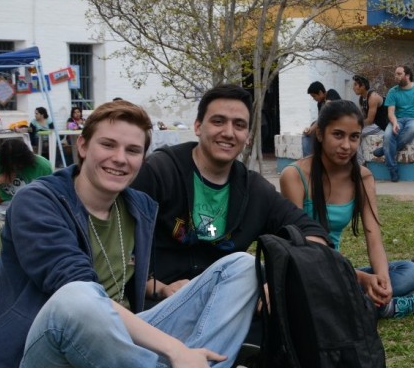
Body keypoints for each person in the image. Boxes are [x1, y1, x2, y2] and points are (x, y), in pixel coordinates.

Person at [0, 101, 261, 368]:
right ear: (83, 146)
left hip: (121, 351)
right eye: (108, 144)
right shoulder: (38, 201)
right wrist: (177, 351)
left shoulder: (137, 208)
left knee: (241, 265)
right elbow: (76, 289)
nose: (120, 158)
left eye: (133, 150)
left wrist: (166, 294)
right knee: (79, 296)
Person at [131, 84, 328, 303]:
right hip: (160, 304)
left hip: (225, 302)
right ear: (198, 126)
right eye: (218, 121)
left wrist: (279, 282)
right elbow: (118, 243)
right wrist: (156, 288)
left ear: (248, 136)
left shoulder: (256, 191)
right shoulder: (160, 172)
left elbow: (312, 234)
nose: (228, 132)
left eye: (239, 125)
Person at [280, 101, 414, 319]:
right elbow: (299, 247)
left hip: (338, 271)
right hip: (304, 270)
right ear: (320, 134)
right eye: (338, 135)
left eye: (354, 137)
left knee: (409, 273)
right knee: (301, 291)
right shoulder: (294, 176)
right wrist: (362, 279)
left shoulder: (363, 177)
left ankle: (369, 301)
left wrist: (382, 281)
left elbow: (372, 235)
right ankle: (384, 308)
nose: (346, 145)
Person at [373, 65, 414, 182]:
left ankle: (384, 150)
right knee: (388, 136)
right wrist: (394, 123)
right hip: (398, 119)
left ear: (407, 76)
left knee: (412, 130)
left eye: (399, 74)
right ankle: (393, 170)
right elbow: (391, 112)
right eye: (396, 74)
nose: (396, 76)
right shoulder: (393, 91)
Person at [352, 74, 388, 163]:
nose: (353, 87)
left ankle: (360, 163)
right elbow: (363, 118)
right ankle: (357, 161)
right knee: (352, 132)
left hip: (381, 126)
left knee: (356, 134)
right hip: (373, 126)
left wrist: (356, 125)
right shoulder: (362, 99)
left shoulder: (372, 97)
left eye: (356, 84)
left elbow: (369, 120)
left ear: (363, 86)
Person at [301, 82, 341, 157]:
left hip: (339, 124)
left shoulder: (331, 93)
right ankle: (308, 158)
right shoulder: (319, 103)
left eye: (314, 96)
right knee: (306, 136)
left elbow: (326, 112)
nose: (313, 99)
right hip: (327, 125)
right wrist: (310, 130)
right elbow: (320, 118)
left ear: (320, 92)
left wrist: (312, 128)